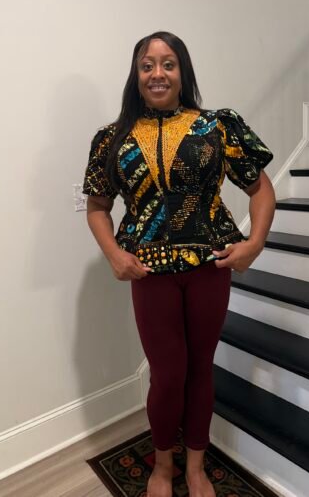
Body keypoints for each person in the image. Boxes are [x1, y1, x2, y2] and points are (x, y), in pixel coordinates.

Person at [83, 31, 275, 497]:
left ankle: (195, 466)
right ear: (136, 74)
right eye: (147, 65)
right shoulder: (111, 138)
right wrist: (114, 254)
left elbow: (261, 189)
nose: (158, 73)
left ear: (182, 71)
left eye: (168, 64)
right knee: (168, 374)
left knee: (200, 367)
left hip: (209, 267)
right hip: (149, 272)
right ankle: (163, 465)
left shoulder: (217, 126)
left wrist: (254, 244)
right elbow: (97, 207)